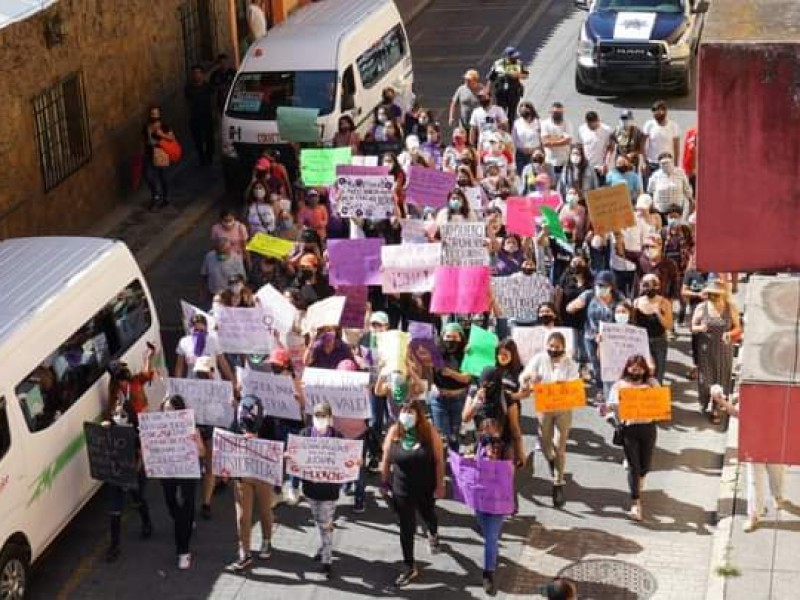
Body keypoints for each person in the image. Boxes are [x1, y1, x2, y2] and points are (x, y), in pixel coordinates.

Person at [379, 399, 445, 588]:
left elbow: (439, 460)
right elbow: (386, 459)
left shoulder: (429, 432)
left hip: (425, 487)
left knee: (428, 515)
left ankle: (433, 532)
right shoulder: (394, 432)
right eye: (404, 411)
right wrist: (383, 482)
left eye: (411, 411)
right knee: (406, 529)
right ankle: (409, 565)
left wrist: (440, 485)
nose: (406, 415)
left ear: (418, 415)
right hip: (402, 491)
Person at [709, 386, 787, 533]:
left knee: (776, 471)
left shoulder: (780, 384)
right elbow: (738, 412)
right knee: (754, 480)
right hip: (754, 440)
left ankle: (778, 496)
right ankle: (754, 515)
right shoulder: (750, 385)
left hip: (774, 439)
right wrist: (721, 401)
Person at [102, 356, 155, 562]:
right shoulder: (111, 403)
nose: (123, 385)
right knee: (114, 508)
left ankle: (147, 522)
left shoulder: (130, 409)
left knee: (136, 497)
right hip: (117, 464)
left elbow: (139, 434)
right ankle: (114, 545)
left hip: (131, 461)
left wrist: (139, 459)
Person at [520, 331, 579, 507]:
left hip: (563, 408)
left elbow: (575, 382)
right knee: (545, 443)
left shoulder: (570, 363)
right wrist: (529, 379)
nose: (554, 349)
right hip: (544, 407)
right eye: (551, 346)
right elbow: (524, 376)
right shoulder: (539, 359)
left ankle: (558, 483)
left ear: (563, 347)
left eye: (557, 347)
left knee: (560, 445)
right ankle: (553, 462)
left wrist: (565, 385)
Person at [292, 401, 346, 578]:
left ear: (330, 418)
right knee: (318, 520)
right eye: (317, 415)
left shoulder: (338, 437)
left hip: (329, 490)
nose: (320, 419)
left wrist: (355, 462)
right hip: (310, 489)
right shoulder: (304, 434)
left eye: (323, 416)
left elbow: (347, 459)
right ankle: (324, 546)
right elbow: (296, 455)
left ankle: (327, 560)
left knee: (326, 524)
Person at [603, 355, 660, 521]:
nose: (636, 371)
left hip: (648, 428)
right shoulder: (619, 386)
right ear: (627, 368)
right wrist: (611, 410)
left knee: (645, 466)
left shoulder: (652, 383)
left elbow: (660, 401)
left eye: (640, 368)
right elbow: (610, 408)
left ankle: (640, 477)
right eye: (633, 368)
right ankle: (636, 502)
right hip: (629, 429)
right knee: (634, 468)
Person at [159, 395, 205, 569]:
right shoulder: (158, 428)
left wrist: (194, 443)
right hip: (167, 472)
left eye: (171, 410)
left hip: (186, 471)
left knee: (186, 504)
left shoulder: (191, 427)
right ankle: (183, 521)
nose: (167, 413)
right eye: (165, 410)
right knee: (171, 502)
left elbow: (202, 453)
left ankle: (183, 551)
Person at [229, 394, 275, 572]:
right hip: (242, 474)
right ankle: (245, 552)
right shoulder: (236, 424)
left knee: (265, 510)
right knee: (242, 516)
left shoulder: (269, 424)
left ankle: (266, 540)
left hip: (263, 475)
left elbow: (275, 448)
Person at [471, 418, 514, 594]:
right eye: (485, 430)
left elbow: (509, 474)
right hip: (480, 500)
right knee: (483, 526)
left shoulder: (505, 449)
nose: (488, 434)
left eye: (492, 430)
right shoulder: (479, 446)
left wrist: (494, 460)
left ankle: (488, 573)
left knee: (490, 538)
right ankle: (494, 553)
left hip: (497, 502)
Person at [691, 279, 741, 423]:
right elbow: (693, 327)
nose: (713, 297)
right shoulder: (702, 307)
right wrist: (700, 328)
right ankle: (705, 399)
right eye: (711, 294)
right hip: (706, 349)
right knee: (705, 379)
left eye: (716, 295)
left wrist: (730, 334)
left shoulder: (730, 307)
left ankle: (716, 408)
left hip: (724, 349)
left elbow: (738, 327)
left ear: (723, 295)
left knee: (721, 378)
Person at [431, 322, 472, 451]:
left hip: (458, 399)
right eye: (448, 337)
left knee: (454, 435)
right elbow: (425, 371)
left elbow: (467, 378)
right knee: (442, 436)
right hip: (439, 399)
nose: (451, 340)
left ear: (461, 338)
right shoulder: (436, 352)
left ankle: (455, 461)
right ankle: (441, 464)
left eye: (455, 337)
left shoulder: (467, 354)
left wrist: (450, 373)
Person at [632, 274, 672, 384]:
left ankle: (656, 396)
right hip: (641, 341)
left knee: (658, 373)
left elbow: (669, 325)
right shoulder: (636, 302)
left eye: (653, 284)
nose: (649, 287)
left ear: (658, 286)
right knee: (641, 371)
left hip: (659, 340)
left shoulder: (664, 302)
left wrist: (658, 313)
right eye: (645, 284)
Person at [142, 106, 175, 210]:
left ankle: (166, 197)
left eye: (156, 114)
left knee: (163, 177)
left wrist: (161, 135)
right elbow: (144, 140)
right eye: (152, 114)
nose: (154, 116)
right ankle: (156, 195)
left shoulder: (164, 125)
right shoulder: (146, 126)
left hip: (161, 154)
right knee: (148, 175)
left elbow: (171, 138)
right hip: (149, 154)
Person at [642, 100, 680, 187]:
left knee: (664, 189)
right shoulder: (649, 124)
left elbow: (676, 147)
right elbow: (642, 144)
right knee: (649, 190)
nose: (656, 114)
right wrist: (644, 162)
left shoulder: (673, 126)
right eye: (654, 111)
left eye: (659, 111)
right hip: (651, 163)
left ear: (665, 112)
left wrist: (676, 166)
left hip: (667, 164)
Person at [647, 152, 694, 223]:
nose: (666, 165)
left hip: (676, 209)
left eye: (668, 162)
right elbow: (649, 191)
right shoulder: (655, 175)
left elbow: (687, 190)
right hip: (660, 209)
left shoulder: (680, 173)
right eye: (663, 163)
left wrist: (691, 202)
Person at [185, 65, 215, 166]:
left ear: (202, 74)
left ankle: (209, 157)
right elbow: (187, 102)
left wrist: (214, 113)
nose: (196, 75)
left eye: (198, 73)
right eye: (194, 73)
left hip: (207, 117)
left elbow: (213, 99)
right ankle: (202, 158)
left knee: (209, 139)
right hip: (195, 118)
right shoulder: (189, 88)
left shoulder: (207, 86)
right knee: (198, 141)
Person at [487, 46, 528, 119]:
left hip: (514, 92)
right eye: (513, 57)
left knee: (512, 113)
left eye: (516, 56)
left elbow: (526, 75)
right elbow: (491, 78)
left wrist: (517, 75)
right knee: (501, 112)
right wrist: (487, 90)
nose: (515, 58)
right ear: (506, 56)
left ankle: (511, 127)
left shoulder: (519, 63)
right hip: (501, 93)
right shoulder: (498, 64)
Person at [577, 111, 614, 185]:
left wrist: (606, 164)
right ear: (587, 122)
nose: (593, 127)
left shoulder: (607, 130)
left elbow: (610, 148)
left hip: (600, 167)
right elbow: (580, 147)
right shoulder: (582, 129)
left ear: (598, 120)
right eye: (590, 126)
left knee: (600, 192)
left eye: (595, 125)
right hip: (586, 167)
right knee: (587, 192)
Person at [540, 101, 573, 176]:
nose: (558, 115)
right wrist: (561, 138)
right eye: (555, 112)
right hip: (550, 162)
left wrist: (551, 140)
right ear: (550, 112)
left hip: (564, 161)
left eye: (560, 113)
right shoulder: (545, 124)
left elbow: (568, 140)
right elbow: (545, 142)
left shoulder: (567, 123)